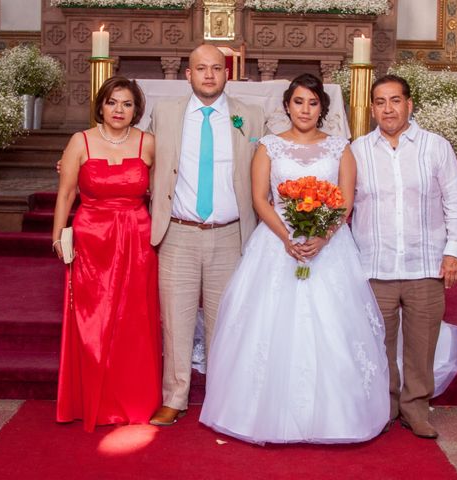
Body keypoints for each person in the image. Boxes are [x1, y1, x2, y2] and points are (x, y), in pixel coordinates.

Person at [199, 74, 390, 444]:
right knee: (268, 326)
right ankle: (260, 414)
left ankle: (336, 417)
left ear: (322, 108)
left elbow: (346, 201)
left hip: (329, 247)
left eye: (313, 103)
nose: (305, 109)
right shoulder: (269, 147)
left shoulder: (340, 148)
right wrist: (288, 237)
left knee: (334, 328)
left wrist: (321, 236)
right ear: (287, 105)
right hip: (276, 244)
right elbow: (259, 199)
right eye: (298, 102)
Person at [350, 75, 457, 439]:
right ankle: (384, 409)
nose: (388, 109)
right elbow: (342, 205)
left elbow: (456, 202)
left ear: (409, 104)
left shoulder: (436, 148)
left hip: (426, 265)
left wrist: (454, 252)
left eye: (395, 100)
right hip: (374, 266)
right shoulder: (357, 151)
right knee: (378, 345)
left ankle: (416, 409)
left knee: (421, 345)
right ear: (372, 108)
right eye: (380, 102)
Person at [147, 45, 265, 426]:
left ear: (227, 73)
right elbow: (139, 155)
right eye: (201, 68)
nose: (209, 75)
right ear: (188, 75)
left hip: (231, 234)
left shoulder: (250, 115)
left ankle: (221, 395)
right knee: (176, 320)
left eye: (216, 68)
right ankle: (176, 396)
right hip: (178, 232)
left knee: (225, 321)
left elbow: (271, 164)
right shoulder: (165, 114)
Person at [52, 76, 160, 432]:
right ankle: (92, 400)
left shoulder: (149, 144)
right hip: (91, 239)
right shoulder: (80, 141)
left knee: (134, 321)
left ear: (136, 111)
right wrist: (57, 237)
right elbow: (66, 193)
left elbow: (166, 190)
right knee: (93, 321)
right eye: (113, 102)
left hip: (137, 240)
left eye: (127, 104)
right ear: (101, 105)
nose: (119, 110)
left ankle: (133, 400)